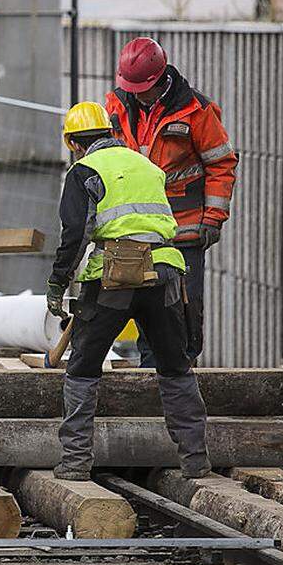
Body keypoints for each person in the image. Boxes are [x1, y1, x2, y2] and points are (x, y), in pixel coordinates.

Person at [47, 101, 209, 481]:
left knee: (83, 369)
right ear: (110, 132)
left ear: (73, 143)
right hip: (164, 272)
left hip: (114, 275)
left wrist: (57, 284)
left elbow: (75, 236)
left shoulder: (84, 170)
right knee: (175, 365)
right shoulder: (146, 165)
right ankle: (195, 460)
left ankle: (74, 463)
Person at [105, 37, 236, 367]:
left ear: (160, 79)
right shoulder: (117, 106)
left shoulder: (196, 110)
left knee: (181, 311)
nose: (136, 94)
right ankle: (150, 381)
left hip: (183, 232)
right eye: (130, 87)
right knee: (137, 306)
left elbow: (221, 163)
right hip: (134, 232)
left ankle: (178, 378)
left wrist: (213, 218)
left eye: (141, 88)